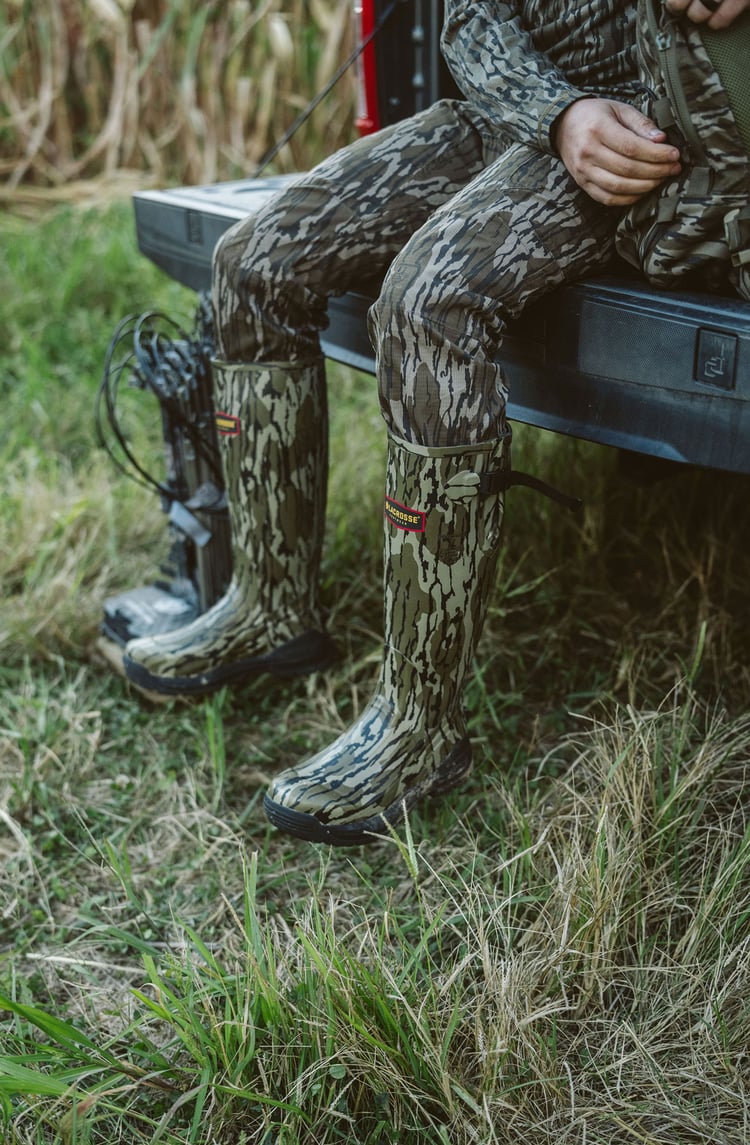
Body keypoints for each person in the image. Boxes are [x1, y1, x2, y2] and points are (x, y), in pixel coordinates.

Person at [122, 0, 749, 845]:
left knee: (426, 305)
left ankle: (419, 724)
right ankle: (269, 608)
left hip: (639, 130)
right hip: (518, 115)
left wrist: (585, 122)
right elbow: (468, 19)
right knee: (253, 262)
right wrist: (552, 112)